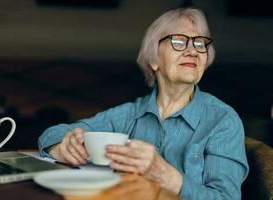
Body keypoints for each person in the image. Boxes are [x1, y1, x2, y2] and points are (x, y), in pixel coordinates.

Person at [38, 8, 249, 199]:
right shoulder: (130, 114)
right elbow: (52, 133)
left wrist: (168, 178)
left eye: (199, 43)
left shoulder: (222, 120)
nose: (192, 50)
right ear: (153, 59)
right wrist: (62, 146)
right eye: (178, 41)